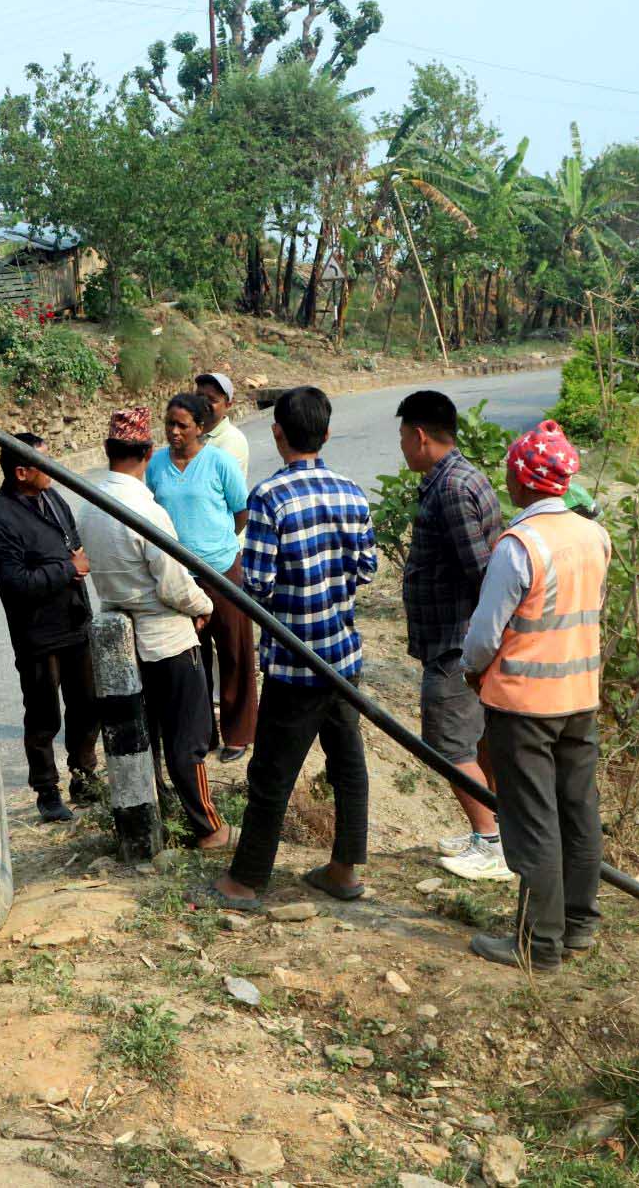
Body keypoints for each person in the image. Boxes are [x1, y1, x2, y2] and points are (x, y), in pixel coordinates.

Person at [206, 387, 378, 909]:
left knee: (270, 775)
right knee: (348, 766)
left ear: (277, 433)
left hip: (295, 665)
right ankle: (345, 871)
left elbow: (255, 582)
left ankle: (246, 881)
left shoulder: (270, 497)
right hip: (343, 660)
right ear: (325, 435)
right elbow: (367, 568)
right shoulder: (351, 491)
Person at [461, 420, 611, 971]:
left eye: (510, 470)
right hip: (579, 696)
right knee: (578, 811)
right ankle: (578, 927)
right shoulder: (595, 536)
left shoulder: (519, 545)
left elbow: (484, 634)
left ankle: (538, 946)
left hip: (523, 704)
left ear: (524, 482)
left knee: (534, 823)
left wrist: (470, 672)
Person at [76, 408, 230, 850]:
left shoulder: (91, 507)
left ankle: (154, 819)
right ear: (147, 453)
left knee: (144, 738)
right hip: (167, 637)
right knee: (189, 739)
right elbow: (174, 583)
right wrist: (203, 605)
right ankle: (209, 828)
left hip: (123, 642)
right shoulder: (146, 510)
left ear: (108, 452)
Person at [396, 390, 508, 881]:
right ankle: (497, 829)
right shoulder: (456, 476)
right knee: (476, 741)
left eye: (403, 437)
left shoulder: (452, 488)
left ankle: (490, 841)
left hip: (455, 644)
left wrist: (476, 648)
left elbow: (481, 572)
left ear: (420, 435)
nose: (401, 447)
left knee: (448, 743)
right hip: (458, 639)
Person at [0, 432, 105, 822]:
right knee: (44, 714)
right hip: (38, 635)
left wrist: (75, 565)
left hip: (75, 621)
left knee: (86, 705)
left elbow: (74, 541)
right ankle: (47, 791)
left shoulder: (51, 497)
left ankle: (84, 775)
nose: (52, 470)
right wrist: (68, 569)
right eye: (43, 464)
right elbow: (17, 583)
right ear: (21, 472)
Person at [148, 392, 258, 764]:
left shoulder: (219, 462)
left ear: (199, 426)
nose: (174, 432)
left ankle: (239, 733)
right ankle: (202, 733)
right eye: (169, 424)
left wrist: (218, 544)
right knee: (189, 657)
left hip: (222, 571)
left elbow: (241, 512)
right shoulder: (157, 465)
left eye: (182, 425)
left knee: (234, 651)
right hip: (178, 576)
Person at [194, 372, 252, 482]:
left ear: (228, 405)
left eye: (212, 399)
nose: (203, 403)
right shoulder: (188, 434)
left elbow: (207, 482)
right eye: (199, 396)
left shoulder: (232, 440)